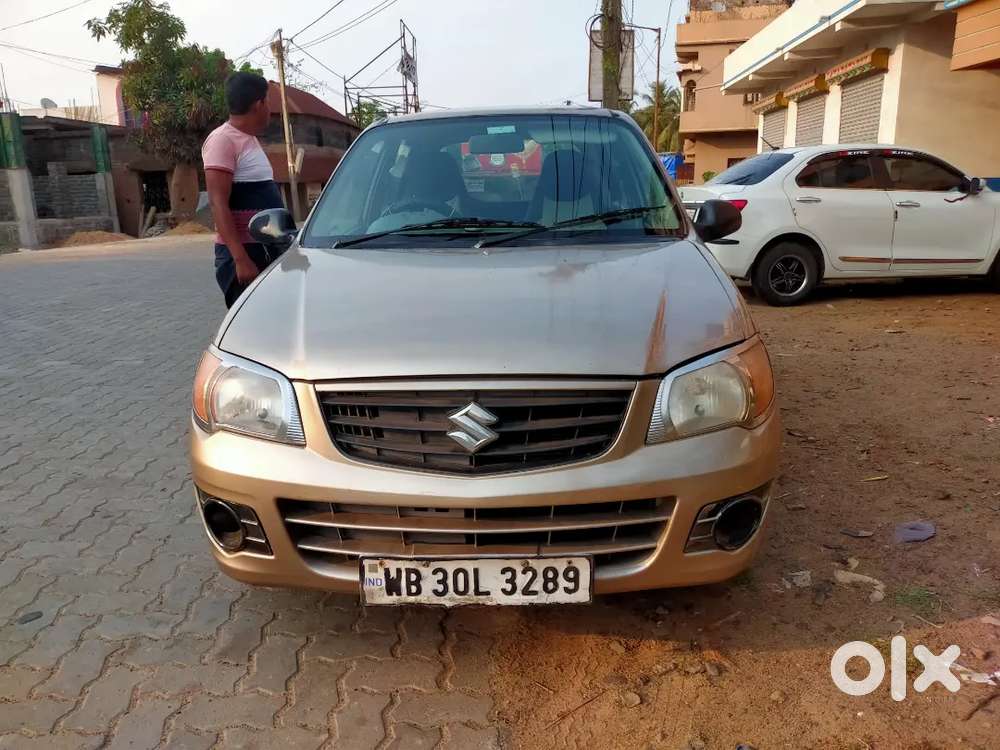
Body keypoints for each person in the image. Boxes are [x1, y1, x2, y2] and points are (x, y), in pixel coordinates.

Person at [202, 72, 287, 307]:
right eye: (267, 101)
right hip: (245, 255)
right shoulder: (223, 140)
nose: (269, 108)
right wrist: (240, 259)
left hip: (265, 250)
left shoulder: (247, 139)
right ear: (259, 104)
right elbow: (218, 202)